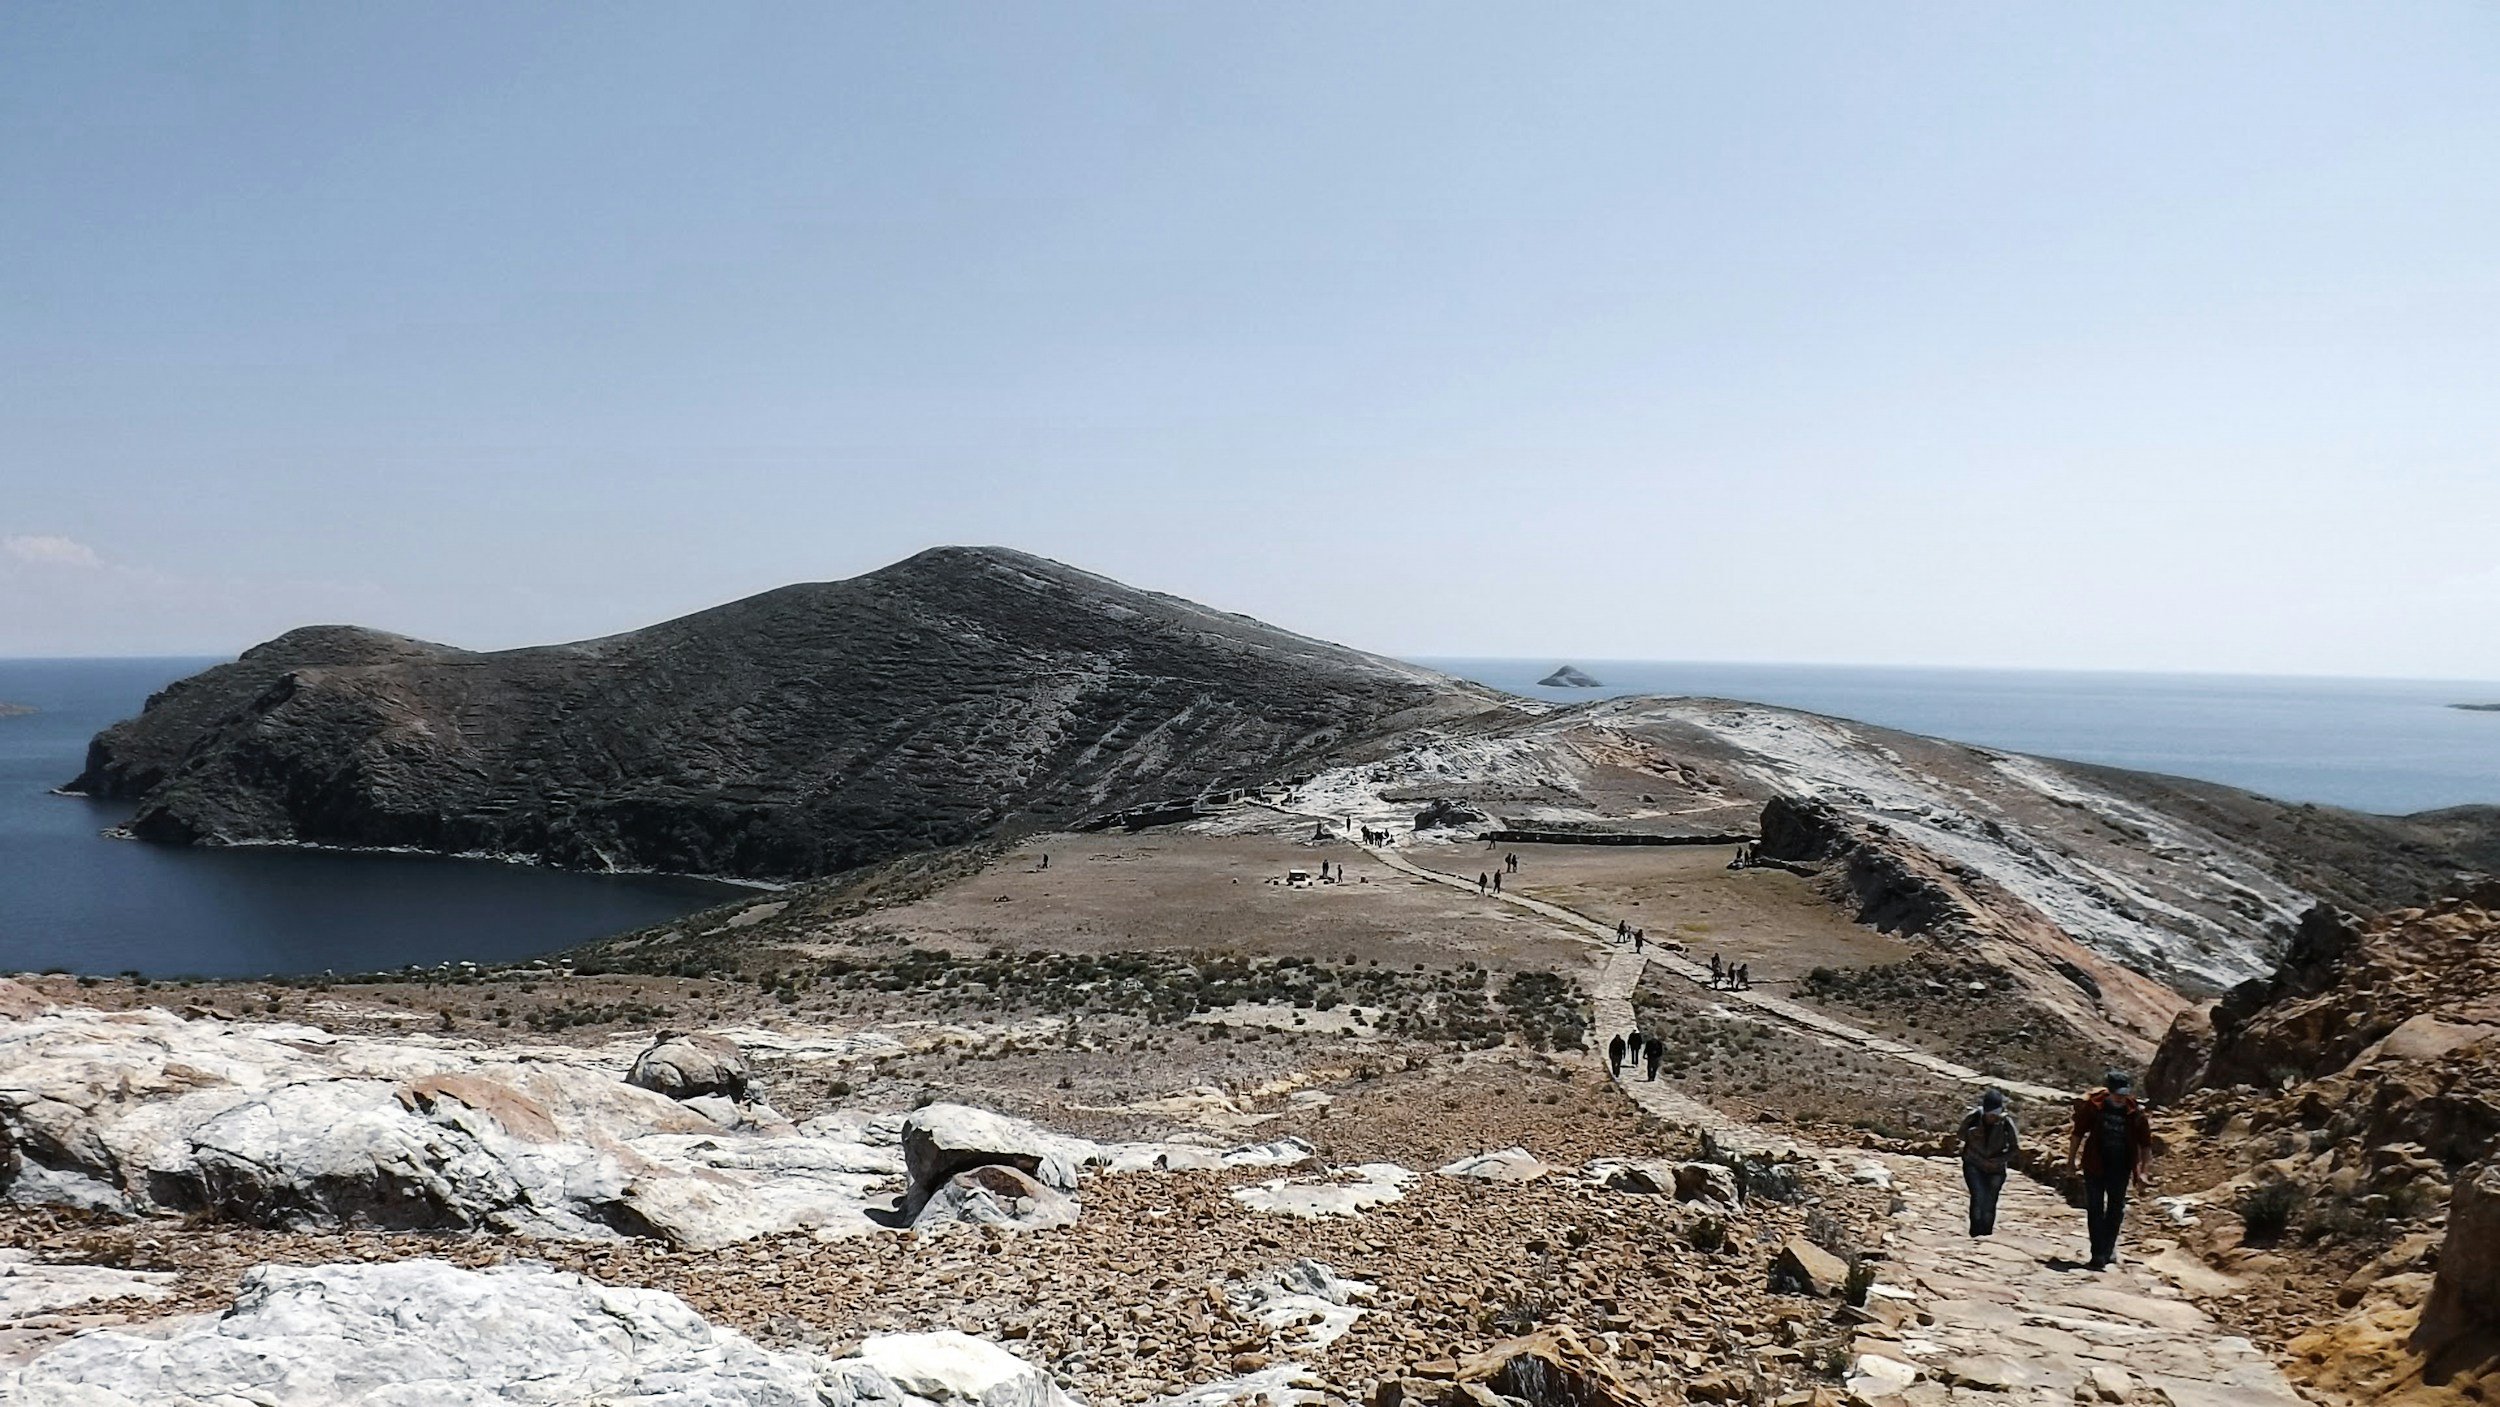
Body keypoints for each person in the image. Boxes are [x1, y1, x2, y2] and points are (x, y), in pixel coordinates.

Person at [2067, 1069, 2154, 1270]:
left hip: (2120, 1167)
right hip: (2094, 1164)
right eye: (2116, 1094)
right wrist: (2071, 1161)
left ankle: (2107, 1248)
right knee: (2095, 1208)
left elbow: (2146, 1144)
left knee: (2116, 1209)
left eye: (2123, 1094)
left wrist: (2144, 1172)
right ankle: (2098, 1253)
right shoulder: (2094, 1107)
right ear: (2109, 1090)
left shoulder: (2135, 1112)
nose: (2120, 1098)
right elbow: (2077, 1133)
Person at [1959, 1089, 2019, 1236]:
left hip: (1996, 1168)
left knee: (1990, 1201)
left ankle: (1986, 1233)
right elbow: (1961, 1135)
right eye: (1990, 1114)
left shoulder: (2006, 1123)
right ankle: (1975, 1232)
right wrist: (1973, 1133)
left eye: (1995, 1114)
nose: (1992, 1117)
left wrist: (1999, 1160)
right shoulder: (1974, 1117)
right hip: (1974, 1163)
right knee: (1978, 1196)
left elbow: (2014, 1148)